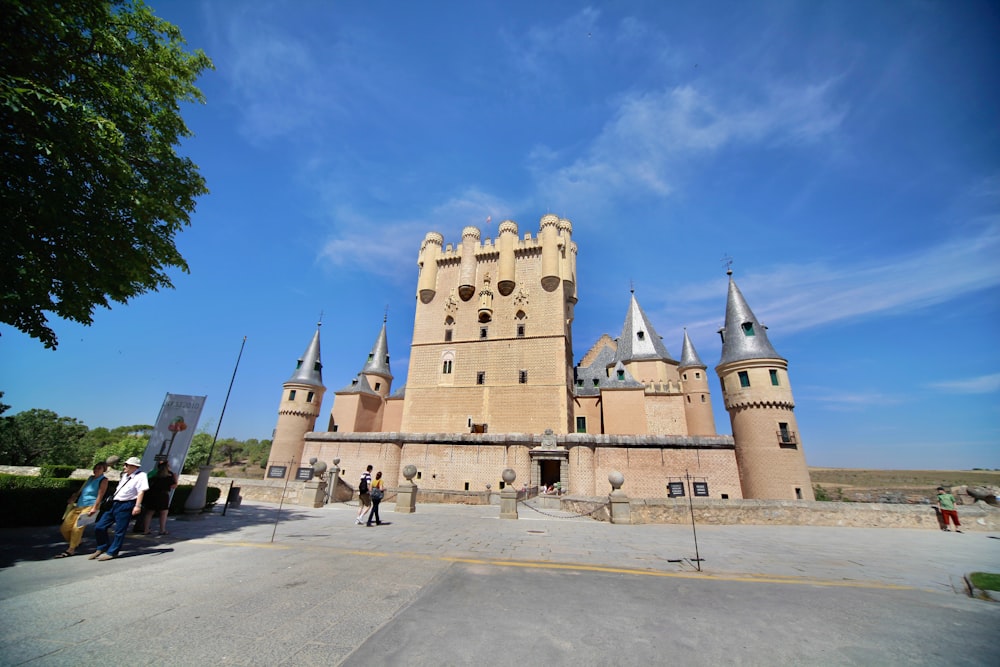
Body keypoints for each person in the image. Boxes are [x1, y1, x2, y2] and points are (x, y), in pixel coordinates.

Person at [90, 457, 149, 561]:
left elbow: (141, 491)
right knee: (99, 526)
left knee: (119, 530)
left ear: (134, 466)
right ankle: (102, 546)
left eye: (126, 465)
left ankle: (112, 552)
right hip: (115, 503)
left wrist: (137, 505)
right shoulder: (125, 476)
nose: (124, 467)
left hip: (127, 504)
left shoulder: (141, 476)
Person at [55, 462, 109, 558]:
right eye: (95, 468)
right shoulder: (90, 478)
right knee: (65, 528)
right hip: (79, 505)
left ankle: (71, 549)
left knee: (77, 528)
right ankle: (76, 542)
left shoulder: (104, 480)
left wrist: (95, 507)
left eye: (99, 468)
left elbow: (100, 495)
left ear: (104, 470)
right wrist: (73, 497)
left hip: (90, 506)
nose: (96, 469)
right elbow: (81, 490)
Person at [143, 460, 178, 536]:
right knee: (163, 513)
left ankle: (146, 530)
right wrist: (176, 479)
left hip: (151, 494)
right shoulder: (169, 475)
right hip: (163, 496)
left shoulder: (153, 473)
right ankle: (162, 530)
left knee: (149, 513)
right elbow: (174, 486)